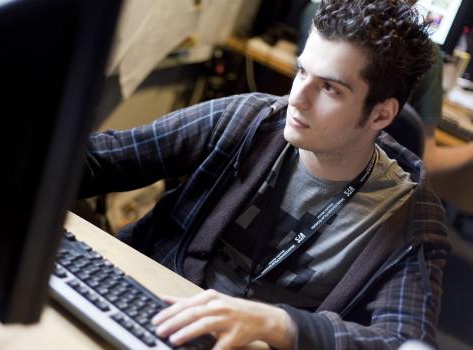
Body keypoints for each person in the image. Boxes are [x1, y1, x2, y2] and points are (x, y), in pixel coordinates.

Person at [79, 0, 450, 348]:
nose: (298, 99)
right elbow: (103, 160)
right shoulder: (247, 120)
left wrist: (280, 324)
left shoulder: (409, 214)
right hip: (146, 313)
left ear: (381, 115)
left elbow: (404, 341)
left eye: (329, 88)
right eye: (302, 71)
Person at [299, 0, 473, 176]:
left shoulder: (319, 14)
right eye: (302, 71)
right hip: (369, 176)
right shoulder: (424, 53)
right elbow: (428, 161)